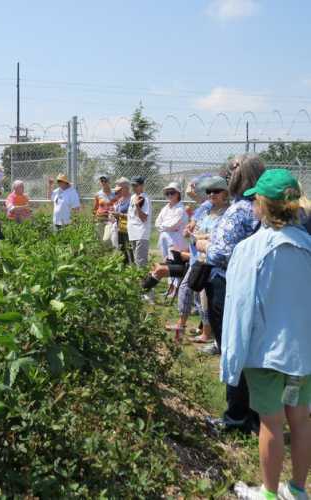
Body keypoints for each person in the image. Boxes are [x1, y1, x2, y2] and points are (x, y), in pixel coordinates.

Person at [220, 170, 311, 500]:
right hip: (303, 353)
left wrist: (232, 357)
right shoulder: (308, 247)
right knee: (301, 420)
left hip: (265, 353)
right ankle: (298, 490)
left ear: (261, 203)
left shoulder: (250, 249)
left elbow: (239, 306)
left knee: (271, 423)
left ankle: (270, 493)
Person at [202, 154, 266, 434]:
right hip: (247, 285)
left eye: (233, 170)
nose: (228, 174)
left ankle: (236, 419)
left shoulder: (241, 208)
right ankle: (252, 415)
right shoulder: (258, 207)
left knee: (234, 347)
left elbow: (221, 251)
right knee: (250, 349)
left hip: (228, 283)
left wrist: (206, 247)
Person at [166, 176, 229, 342]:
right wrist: (191, 232)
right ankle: (199, 330)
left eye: (216, 191)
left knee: (204, 297)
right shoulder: (208, 210)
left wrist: (198, 236)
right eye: (209, 191)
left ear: (225, 193)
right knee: (195, 294)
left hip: (211, 263)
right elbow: (198, 227)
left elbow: (218, 236)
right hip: (198, 259)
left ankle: (208, 334)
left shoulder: (226, 213)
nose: (212, 194)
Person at [155, 181, 188, 297]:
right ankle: (170, 289)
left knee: (174, 263)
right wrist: (165, 227)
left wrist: (165, 227)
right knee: (167, 262)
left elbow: (173, 224)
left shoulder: (180, 209)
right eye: (167, 193)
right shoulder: (166, 208)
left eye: (172, 193)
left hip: (176, 240)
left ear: (178, 194)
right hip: (165, 239)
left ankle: (175, 290)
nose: (169, 195)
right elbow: (157, 222)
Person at [127, 176, 152, 267]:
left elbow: (144, 218)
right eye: (132, 185)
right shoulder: (133, 197)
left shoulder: (145, 198)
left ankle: (143, 280)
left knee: (141, 261)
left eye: (136, 185)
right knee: (135, 259)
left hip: (141, 233)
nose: (133, 187)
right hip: (133, 232)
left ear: (142, 185)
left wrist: (137, 206)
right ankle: (138, 280)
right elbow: (131, 215)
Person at [109, 178, 133, 263]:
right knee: (122, 251)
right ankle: (124, 270)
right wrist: (114, 215)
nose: (118, 192)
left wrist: (119, 215)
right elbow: (118, 215)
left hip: (129, 230)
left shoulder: (132, 199)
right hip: (120, 229)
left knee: (130, 251)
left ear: (126, 188)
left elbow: (133, 216)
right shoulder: (120, 199)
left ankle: (133, 270)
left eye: (120, 190)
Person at [93, 175, 116, 241]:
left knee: (107, 239)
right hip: (100, 218)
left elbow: (117, 206)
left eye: (105, 181)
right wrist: (94, 218)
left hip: (109, 219)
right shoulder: (98, 194)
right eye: (101, 181)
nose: (103, 183)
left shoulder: (114, 193)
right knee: (100, 239)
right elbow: (95, 207)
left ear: (109, 182)